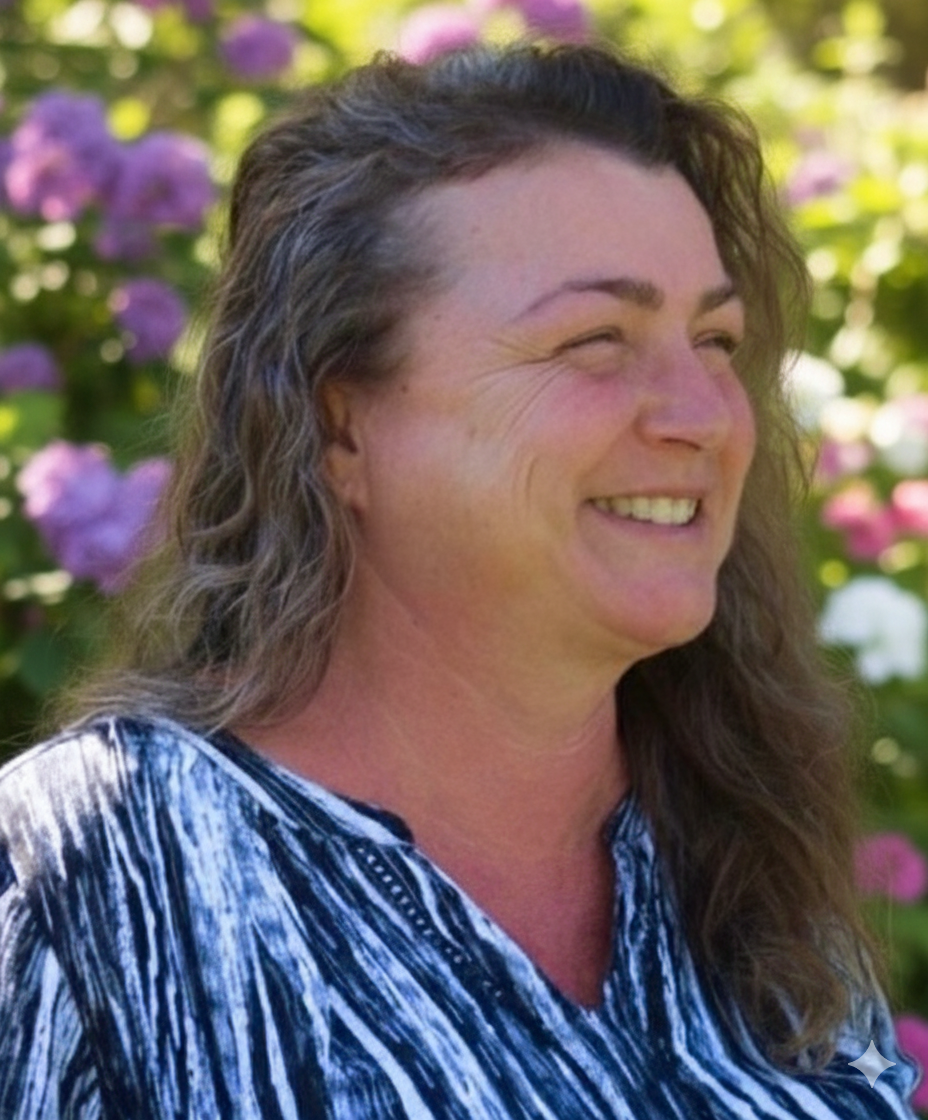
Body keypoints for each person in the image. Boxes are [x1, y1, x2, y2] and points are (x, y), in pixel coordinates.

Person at [0, 41, 920, 1120]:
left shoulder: (745, 888)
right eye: (594, 339)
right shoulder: (94, 881)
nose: (704, 413)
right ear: (340, 426)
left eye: (714, 339)